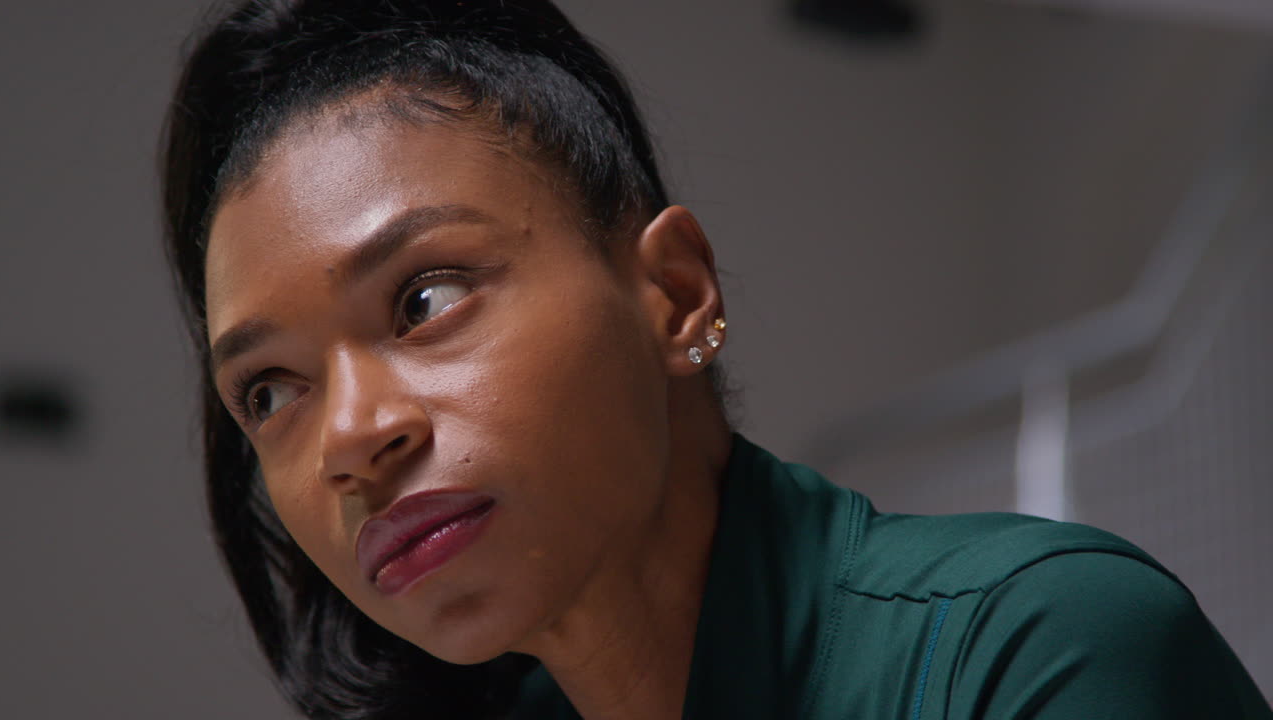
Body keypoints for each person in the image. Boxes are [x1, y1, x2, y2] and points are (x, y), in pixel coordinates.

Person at [160, 1, 1272, 718]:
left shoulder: (1038, 651)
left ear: (674, 293)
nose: (350, 438)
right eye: (268, 391)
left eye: (425, 297)